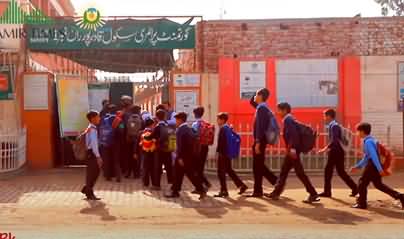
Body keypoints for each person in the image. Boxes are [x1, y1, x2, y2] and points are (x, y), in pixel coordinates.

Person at [268, 102, 320, 204]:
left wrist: (292, 150)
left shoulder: (288, 120)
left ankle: (313, 193)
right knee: (284, 171)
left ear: (284, 110)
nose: (277, 112)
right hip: (292, 150)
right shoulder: (289, 119)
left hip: (292, 151)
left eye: (279, 110)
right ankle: (276, 192)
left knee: (299, 173)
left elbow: (294, 135)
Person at [350, 123, 404, 210]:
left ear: (362, 131)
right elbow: (367, 156)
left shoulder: (368, 142)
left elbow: (373, 156)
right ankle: (400, 196)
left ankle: (362, 203)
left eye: (358, 132)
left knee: (362, 183)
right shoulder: (371, 140)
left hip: (372, 165)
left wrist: (379, 169)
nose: (357, 134)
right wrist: (358, 166)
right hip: (374, 165)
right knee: (378, 185)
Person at [165, 112, 206, 199]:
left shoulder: (180, 130)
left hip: (182, 156)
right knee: (180, 174)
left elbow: (180, 145)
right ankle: (176, 191)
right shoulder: (188, 128)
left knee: (185, 174)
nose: (175, 122)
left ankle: (201, 189)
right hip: (189, 156)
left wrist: (179, 157)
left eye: (176, 120)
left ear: (180, 120)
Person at [318, 109, 358, 198]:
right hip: (338, 151)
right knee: (340, 172)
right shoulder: (334, 125)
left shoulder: (334, 126)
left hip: (335, 152)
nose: (324, 117)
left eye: (325, 115)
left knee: (328, 171)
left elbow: (334, 140)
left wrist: (326, 148)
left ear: (329, 116)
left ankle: (327, 192)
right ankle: (355, 188)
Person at [248, 88, 278, 197]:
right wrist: (256, 92)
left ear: (260, 96)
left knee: (257, 166)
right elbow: (251, 101)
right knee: (259, 165)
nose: (254, 96)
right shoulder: (263, 107)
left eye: (256, 95)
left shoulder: (261, 109)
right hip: (261, 140)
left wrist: (257, 142)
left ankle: (258, 191)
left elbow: (260, 127)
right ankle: (275, 182)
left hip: (260, 141)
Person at [214, 112, 248, 197]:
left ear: (222, 120)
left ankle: (224, 190)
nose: (217, 121)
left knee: (220, 172)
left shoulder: (223, 129)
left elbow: (221, 143)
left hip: (223, 153)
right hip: (227, 153)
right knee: (229, 170)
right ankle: (242, 185)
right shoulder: (228, 127)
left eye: (218, 119)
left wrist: (217, 153)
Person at [146, 109, 174, 188]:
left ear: (156, 117)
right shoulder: (168, 125)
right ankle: (171, 184)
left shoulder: (158, 127)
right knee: (169, 167)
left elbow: (151, 136)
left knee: (158, 168)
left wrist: (145, 136)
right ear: (164, 116)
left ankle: (156, 185)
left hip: (159, 150)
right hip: (168, 149)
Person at [81, 111, 103, 200]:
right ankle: (89, 193)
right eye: (98, 117)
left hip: (90, 153)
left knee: (93, 173)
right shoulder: (92, 129)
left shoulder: (90, 128)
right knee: (93, 173)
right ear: (93, 119)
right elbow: (94, 145)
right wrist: (98, 157)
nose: (99, 119)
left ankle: (87, 189)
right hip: (92, 154)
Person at [191, 106, 212, 189]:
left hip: (197, 148)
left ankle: (204, 185)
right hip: (205, 147)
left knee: (196, 168)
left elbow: (193, 137)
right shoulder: (206, 124)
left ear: (194, 114)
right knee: (200, 167)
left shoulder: (195, 124)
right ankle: (203, 185)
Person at [99, 104, 119, 181]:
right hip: (116, 143)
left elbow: (99, 129)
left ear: (108, 111)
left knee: (106, 159)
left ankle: (107, 176)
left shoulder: (103, 119)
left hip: (105, 143)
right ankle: (117, 176)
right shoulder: (118, 119)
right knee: (116, 159)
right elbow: (122, 130)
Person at [125, 105, 143, 179]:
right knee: (137, 157)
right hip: (138, 141)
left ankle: (128, 172)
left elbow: (126, 129)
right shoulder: (140, 119)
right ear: (138, 111)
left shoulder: (128, 118)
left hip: (129, 140)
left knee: (129, 156)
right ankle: (136, 173)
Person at [139, 118, 157, 188]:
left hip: (144, 152)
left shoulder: (141, 132)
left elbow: (139, 143)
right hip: (152, 152)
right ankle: (154, 183)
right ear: (152, 124)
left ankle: (145, 183)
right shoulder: (152, 132)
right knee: (152, 168)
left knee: (145, 168)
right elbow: (154, 141)